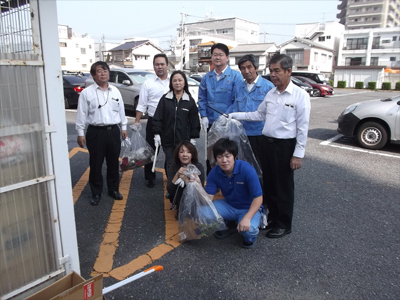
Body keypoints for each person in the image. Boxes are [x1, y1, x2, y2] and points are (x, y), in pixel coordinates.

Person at [229, 53, 311, 238]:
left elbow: (303, 127)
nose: (273, 74)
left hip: (285, 146)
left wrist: (298, 154)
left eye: (277, 71)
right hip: (267, 144)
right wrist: (235, 115)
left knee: (283, 186)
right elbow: (258, 115)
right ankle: (273, 219)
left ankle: (284, 223)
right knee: (270, 185)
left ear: (288, 71)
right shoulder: (271, 93)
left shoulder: (300, 95)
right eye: (271, 70)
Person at [76, 61, 128, 205]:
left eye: (105, 70)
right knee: (96, 163)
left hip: (113, 131)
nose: (103, 73)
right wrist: (80, 133)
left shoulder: (115, 91)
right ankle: (96, 192)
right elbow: (81, 114)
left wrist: (123, 127)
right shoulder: (87, 93)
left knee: (113, 163)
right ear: (93, 75)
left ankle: (113, 189)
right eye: (99, 71)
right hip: (95, 132)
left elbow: (121, 110)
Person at [204, 138, 263, 249]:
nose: (224, 160)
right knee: (201, 213)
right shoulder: (214, 172)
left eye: (227, 156)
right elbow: (209, 198)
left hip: (248, 208)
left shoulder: (247, 170)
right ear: (216, 158)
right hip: (229, 205)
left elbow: (258, 198)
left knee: (248, 231)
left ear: (234, 156)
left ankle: (250, 237)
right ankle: (227, 225)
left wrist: (247, 218)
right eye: (220, 157)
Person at [226, 54, 274, 181]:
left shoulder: (268, 87)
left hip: (261, 134)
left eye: (249, 67)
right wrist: (225, 117)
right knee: (244, 165)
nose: (246, 71)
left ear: (256, 68)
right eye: (242, 68)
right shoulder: (239, 87)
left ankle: (263, 195)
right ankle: (248, 194)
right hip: (242, 134)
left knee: (262, 166)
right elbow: (234, 107)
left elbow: (272, 113)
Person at [197, 43, 243, 173]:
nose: (218, 57)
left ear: (227, 57)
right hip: (211, 123)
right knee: (212, 154)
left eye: (221, 55)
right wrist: (204, 115)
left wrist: (226, 116)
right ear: (211, 57)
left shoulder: (236, 76)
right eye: (215, 55)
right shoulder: (207, 77)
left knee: (229, 155)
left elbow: (238, 99)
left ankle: (231, 182)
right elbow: (202, 98)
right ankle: (213, 183)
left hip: (229, 123)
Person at [152, 70, 200, 177]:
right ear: (171, 83)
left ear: (184, 82)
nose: (177, 83)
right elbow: (158, 117)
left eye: (180, 80)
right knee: (170, 162)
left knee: (183, 162)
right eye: (175, 80)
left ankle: (182, 184)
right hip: (167, 139)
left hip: (183, 140)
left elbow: (194, 120)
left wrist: (193, 137)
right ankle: (171, 186)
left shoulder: (189, 101)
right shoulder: (165, 99)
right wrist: (156, 134)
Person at [132, 53, 169, 188]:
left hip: (170, 122)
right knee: (150, 152)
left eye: (162, 64)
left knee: (170, 151)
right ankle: (149, 177)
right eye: (157, 64)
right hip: (153, 121)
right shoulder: (148, 83)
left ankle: (171, 176)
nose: (159, 67)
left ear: (167, 65)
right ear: (154, 66)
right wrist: (137, 121)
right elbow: (142, 104)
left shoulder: (173, 81)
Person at [167, 141, 205, 219]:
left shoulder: (198, 167)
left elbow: (201, 190)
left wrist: (187, 181)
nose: (185, 155)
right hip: (179, 196)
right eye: (181, 152)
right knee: (179, 187)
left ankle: (192, 209)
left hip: (195, 197)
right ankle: (180, 209)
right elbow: (170, 189)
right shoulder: (174, 167)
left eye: (188, 152)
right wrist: (177, 174)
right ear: (178, 155)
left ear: (192, 155)